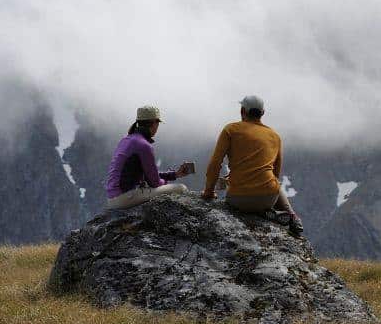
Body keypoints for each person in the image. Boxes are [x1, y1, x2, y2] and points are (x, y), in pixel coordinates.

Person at [202, 95, 304, 235]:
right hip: (269, 198)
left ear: (242, 111)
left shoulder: (230, 130)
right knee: (273, 183)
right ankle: (291, 216)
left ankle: (265, 213)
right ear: (262, 113)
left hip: (238, 199)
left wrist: (209, 192)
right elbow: (276, 173)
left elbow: (215, 163)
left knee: (246, 201)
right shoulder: (275, 136)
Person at [104, 105, 194, 210]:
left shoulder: (127, 140)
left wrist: (175, 174)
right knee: (181, 188)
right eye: (158, 123)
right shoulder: (144, 145)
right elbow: (155, 182)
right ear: (153, 123)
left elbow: (147, 174)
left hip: (112, 199)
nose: (158, 127)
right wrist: (165, 182)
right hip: (124, 198)